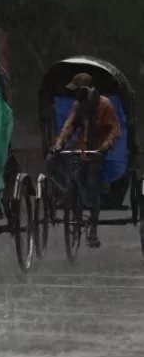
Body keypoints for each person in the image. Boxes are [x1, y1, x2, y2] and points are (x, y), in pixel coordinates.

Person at [49, 72, 121, 248]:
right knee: (54, 161)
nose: (76, 94)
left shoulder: (105, 105)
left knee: (92, 187)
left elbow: (115, 130)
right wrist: (59, 144)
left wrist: (105, 146)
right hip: (81, 147)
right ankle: (67, 195)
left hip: (97, 150)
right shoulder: (78, 105)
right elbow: (70, 125)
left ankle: (93, 230)